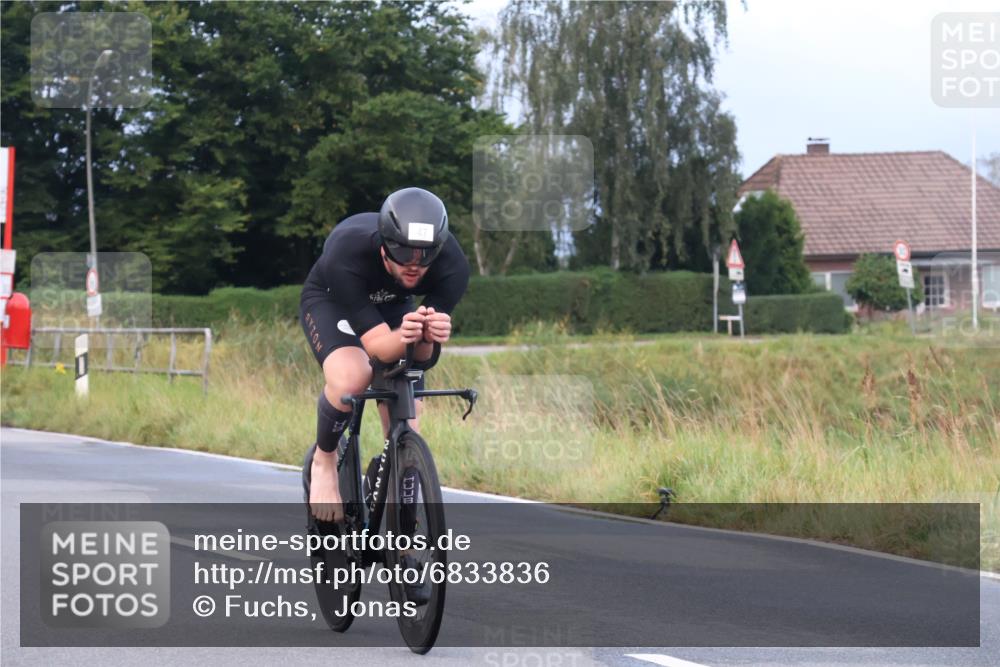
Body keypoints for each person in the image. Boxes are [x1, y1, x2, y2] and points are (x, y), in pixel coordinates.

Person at [299, 187, 470, 524]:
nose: (414, 266)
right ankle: (325, 459)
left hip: (394, 308)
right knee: (354, 376)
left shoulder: (452, 265)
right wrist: (407, 335)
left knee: (409, 416)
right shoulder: (346, 253)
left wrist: (429, 334)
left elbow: (421, 358)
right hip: (335, 302)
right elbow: (378, 348)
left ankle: (397, 505)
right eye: (404, 255)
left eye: (424, 257)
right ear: (385, 246)